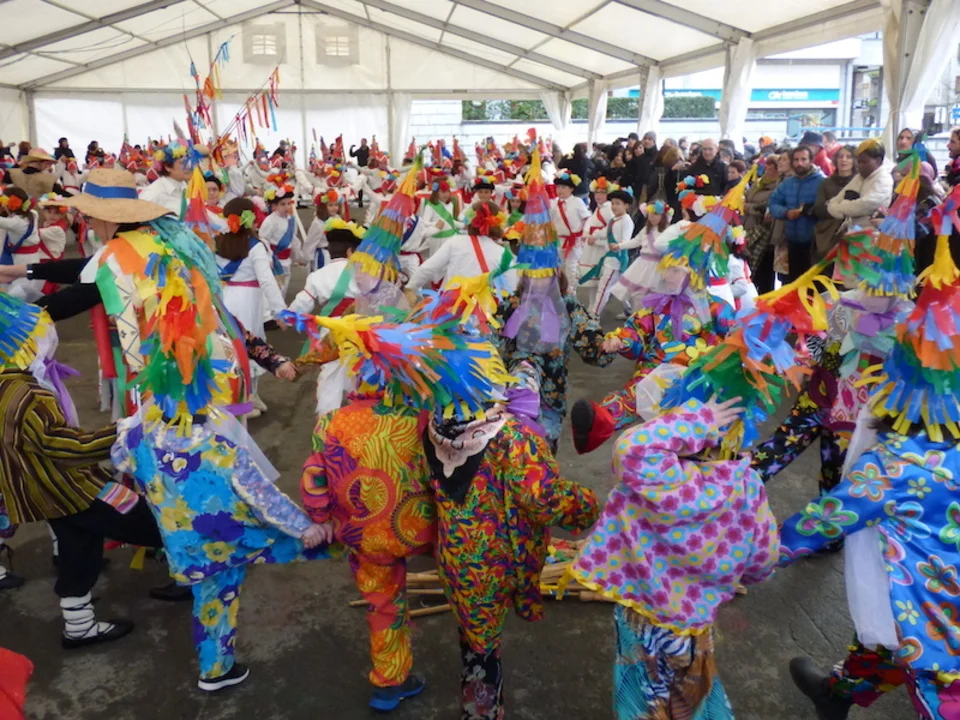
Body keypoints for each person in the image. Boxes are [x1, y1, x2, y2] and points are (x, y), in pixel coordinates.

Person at [778, 230, 960, 720]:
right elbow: (828, 351)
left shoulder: (894, 467)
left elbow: (819, 523)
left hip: (937, 637)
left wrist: (731, 555)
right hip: (921, 604)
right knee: (884, 637)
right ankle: (837, 694)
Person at [573, 394, 778, 720]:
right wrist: (737, 573)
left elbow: (631, 447)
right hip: (694, 621)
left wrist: (698, 419)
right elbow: (763, 560)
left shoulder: (660, 477)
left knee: (644, 694)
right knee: (691, 688)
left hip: (641, 611)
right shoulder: (748, 485)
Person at [425, 360, 599, 720]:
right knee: (482, 656)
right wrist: (588, 506)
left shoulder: (434, 426)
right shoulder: (513, 439)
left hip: (455, 557)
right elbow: (544, 498)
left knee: (475, 638)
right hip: (497, 563)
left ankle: (479, 693)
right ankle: (481, 710)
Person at [0, 293, 166, 647]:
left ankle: (78, 624)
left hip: (43, 493)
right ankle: (194, 568)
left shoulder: (8, 386)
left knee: (78, 549)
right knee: (144, 518)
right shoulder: (26, 394)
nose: (48, 338)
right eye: (38, 334)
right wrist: (122, 431)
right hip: (73, 488)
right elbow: (63, 445)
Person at [214, 197, 288, 418]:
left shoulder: (216, 242)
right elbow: (267, 281)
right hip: (248, 299)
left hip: (223, 298)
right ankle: (246, 399)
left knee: (230, 346)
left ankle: (240, 395)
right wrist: (279, 311)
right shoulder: (255, 246)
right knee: (251, 344)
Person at [407, 201, 516, 293]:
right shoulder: (503, 254)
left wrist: (410, 289)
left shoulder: (455, 242)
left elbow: (427, 268)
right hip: (482, 310)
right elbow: (511, 287)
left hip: (450, 307)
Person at [768, 145, 825, 282]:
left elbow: (827, 208)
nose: (799, 163)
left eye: (803, 159)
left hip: (815, 245)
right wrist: (786, 213)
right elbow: (773, 202)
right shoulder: (788, 183)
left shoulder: (822, 182)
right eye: (796, 159)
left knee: (813, 285)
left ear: (811, 160)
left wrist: (809, 210)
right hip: (792, 243)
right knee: (794, 283)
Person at [579, 188, 637, 317]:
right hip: (610, 257)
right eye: (613, 203)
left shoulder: (627, 221)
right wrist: (594, 236)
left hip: (616, 259)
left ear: (626, 205)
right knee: (619, 286)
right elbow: (604, 232)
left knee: (603, 287)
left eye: (618, 203)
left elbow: (625, 241)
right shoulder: (614, 220)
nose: (614, 206)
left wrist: (617, 246)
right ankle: (629, 309)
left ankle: (594, 315)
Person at [826, 138, 893, 231]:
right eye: (859, 162)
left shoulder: (884, 179)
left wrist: (840, 207)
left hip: (873, 234)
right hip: (853, 231)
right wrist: (839, 208)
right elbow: (835, 201)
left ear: (878, 161)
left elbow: (864, 205)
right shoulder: (860, 176)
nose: (860, 166)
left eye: (864, 162)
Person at [813, 144, 857, 264]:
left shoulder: (860, 182)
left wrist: (832, 205)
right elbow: (819, 208)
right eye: (840, 156)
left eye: (848, 157)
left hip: (852, 232)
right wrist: (842, 207)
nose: (844, 160)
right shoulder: (826, 183)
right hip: (827, 233)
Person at [743, 154, 781, 294]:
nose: (767, 172)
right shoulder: (758, 183)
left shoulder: (777, 188)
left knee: (764, 273)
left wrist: (749, 208)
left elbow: (767, 208)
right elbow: (747, 196)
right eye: (766, 168)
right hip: (749, 228)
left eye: (771, 169)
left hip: (765, 233)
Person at [0, 187, 44, 301]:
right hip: (31, 257)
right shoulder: (33, 214)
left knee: (17, 291)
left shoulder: (16, 223)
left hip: (21, 259)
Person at [259, 181, 301, 298]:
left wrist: (297, 256)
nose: (287, 207)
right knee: (274, 290)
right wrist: (268, 258)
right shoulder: (270, 221)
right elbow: (263, 240)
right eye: (282, 204)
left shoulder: (291, 220)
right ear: (274, 206)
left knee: (284, 288)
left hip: (287, 260)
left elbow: (293, 239)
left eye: (289, 203)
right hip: (274, 261)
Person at [551, 170, 591, 292]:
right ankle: (559, 289)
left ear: (571, 189)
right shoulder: (554, 203)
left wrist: (585, 232)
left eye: (563, 187)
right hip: (558, 239)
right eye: (558, 187)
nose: (560, 190)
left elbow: (587, 218)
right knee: (558, 265)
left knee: (571, 266)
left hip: (574, 240)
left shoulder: (577, 202)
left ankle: (571, 291)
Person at [139, 142, 193, 217]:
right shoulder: (154, 194)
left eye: (189, 161)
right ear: (168, 167)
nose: (189, 166)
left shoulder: (185, 186)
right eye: (183, 162)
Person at [419, 177, 462, 257]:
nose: (446, 194)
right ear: (436, 193)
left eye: (447, 191)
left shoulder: (450, 204)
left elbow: (450, 221)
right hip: (437, 240)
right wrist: (435, 224)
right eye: (442, 192)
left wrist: (463, 225)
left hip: (450, 238)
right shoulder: (430, 206)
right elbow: (424, 223)